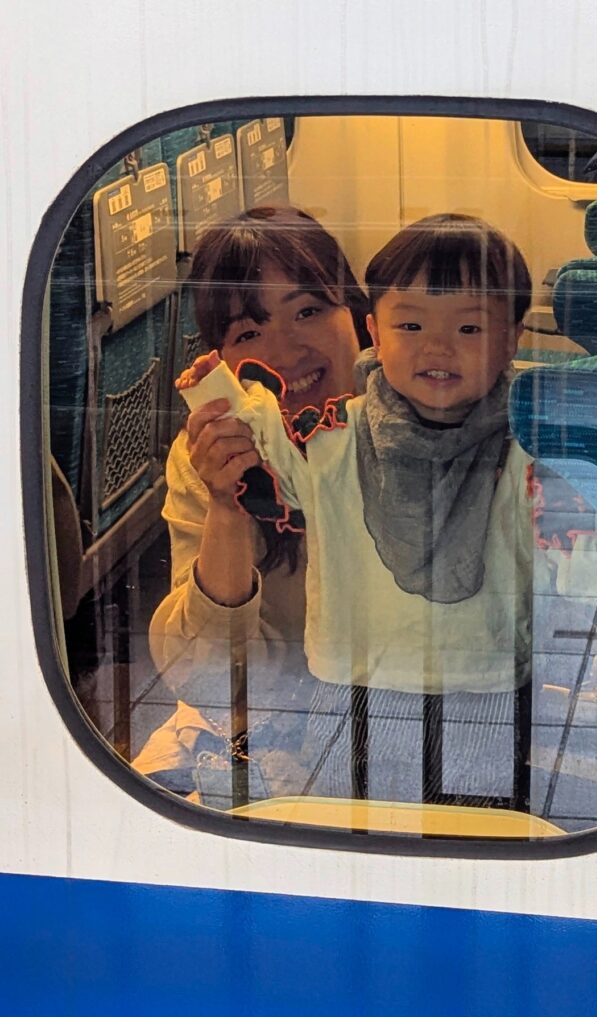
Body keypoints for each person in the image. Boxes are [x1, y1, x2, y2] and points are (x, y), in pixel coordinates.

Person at [173, 213, 597, 804]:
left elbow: (587, 574)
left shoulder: (532, 442)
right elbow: (268, 454)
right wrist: (218, 409)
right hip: (347, 681)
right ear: (377, 332)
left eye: (469, 327)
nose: (437, 346)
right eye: (411, 324)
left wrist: (575, 527)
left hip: (483, 683)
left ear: (512, 338)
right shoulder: (328, 439)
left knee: (477, 819)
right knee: (343, 817)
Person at [138, 206, 369, 794]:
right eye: (248, 333)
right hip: (277, 715)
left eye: (308, 311)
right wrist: (227, 506)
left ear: (358, 316)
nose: (284, 351)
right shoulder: (210, 461)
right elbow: (215, 682)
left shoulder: (417, 427)